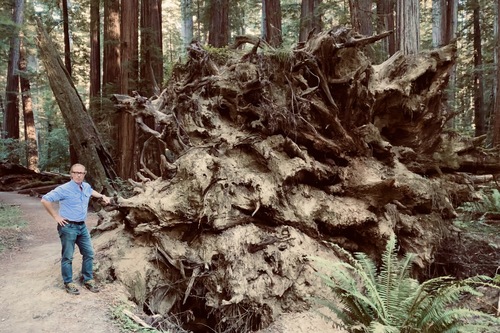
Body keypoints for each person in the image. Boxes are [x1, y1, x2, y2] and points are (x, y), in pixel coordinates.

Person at [41, 163, 111, 295]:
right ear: (71, 174)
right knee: (68, 256)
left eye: (81, 173)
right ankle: (68, 282)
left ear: (84, 174)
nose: (79, 175)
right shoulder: (64, 189)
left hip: (81, 226)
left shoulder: (85, 186)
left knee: (89, 253)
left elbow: (91, 192)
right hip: (67, 227)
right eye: (76, 172)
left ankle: (88, 279)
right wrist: (56, 216)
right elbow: (45, 200)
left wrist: (102, 196)